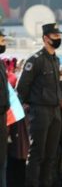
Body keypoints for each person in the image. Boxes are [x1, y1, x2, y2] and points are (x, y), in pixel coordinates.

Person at [16, 23, 62, 187]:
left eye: (59, 36)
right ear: (46, 38)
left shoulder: (55, 60)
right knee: (37, 153)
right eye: (55, 36)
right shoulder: (35, 60)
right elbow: (21, 88)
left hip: (55, 111)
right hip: (40, 111)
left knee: (51, 155)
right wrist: (25, 108)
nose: (58, 39)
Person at [0, 29, 9, 186]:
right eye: (1, 40)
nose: (3, 43)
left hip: (2, 116)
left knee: (2, 160)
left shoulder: (1, 63)